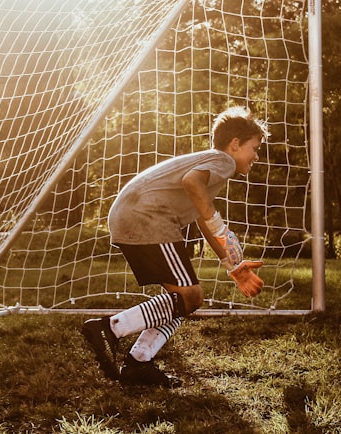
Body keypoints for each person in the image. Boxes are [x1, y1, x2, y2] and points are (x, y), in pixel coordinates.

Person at [82, 106, 268, 387]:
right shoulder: (222, 161)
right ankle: (109, 328)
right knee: (189, 297)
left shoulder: (210, 166)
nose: (256, 155)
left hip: (133, 216)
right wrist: (219, 225)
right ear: (235, 144)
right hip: (148, 218)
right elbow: (192, 185)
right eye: (254, 147)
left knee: (182, 301)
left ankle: (138, 364)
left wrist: (233, 266)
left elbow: (201, 216)